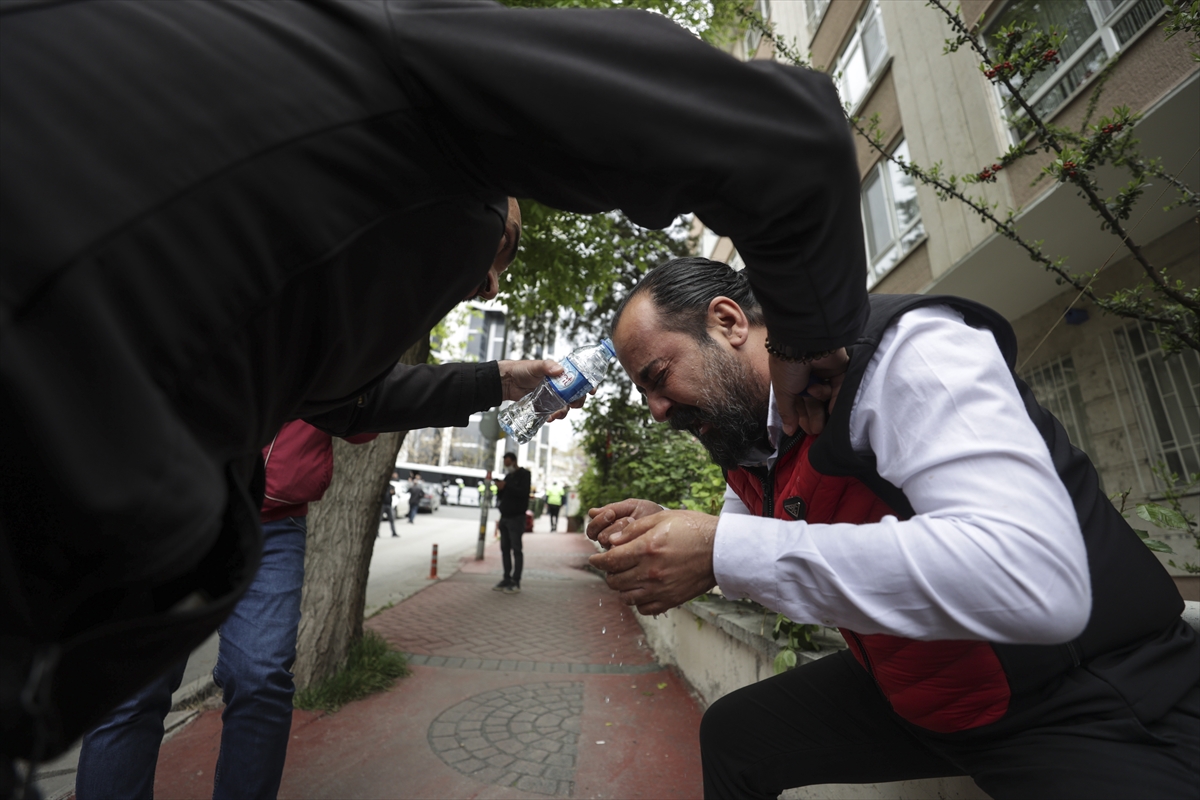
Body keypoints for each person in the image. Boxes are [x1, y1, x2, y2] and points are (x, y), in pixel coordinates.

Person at [2, 0, 869, 763]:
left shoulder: (280, 251)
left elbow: (350, 401)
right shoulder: (407, 60)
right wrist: (809, 345)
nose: (490, 286)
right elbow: (784, 132)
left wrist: (499, 378)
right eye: (499, 248)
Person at [587, 258, 1197, 799]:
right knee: (734, 737)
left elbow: (1031, 576)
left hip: (1076, 701)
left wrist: (720, 548)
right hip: (916, 699)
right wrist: (673, 531)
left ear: (728, 321)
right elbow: (745, 539)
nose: (657, 410)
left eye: (658, 375)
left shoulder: (911, 348)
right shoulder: (751, 435)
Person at [73, 355, 568, 800]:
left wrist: (497, 379)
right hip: (164, 507)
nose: (492, 286)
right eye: (494, 259)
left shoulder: (340, 303)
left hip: (272, 520)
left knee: (262, 677)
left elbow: (369, 401)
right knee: (132, 687)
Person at [493, 452, 532, 594]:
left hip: (517, 518)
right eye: (505, 464)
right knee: (505, 549)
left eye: (508, 464)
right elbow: (502, 496)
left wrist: (507, 486)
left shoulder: (525, 475)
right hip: (505, 517)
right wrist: (500, 488)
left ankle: (516, 581)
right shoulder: (508, 477)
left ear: (514, 462)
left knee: (516, 549)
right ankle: (506, 578)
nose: (507, 467)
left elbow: (523, 493)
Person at [381, 469, 399, 538]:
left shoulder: (391, 487)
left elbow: (393, 493)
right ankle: (376, 533)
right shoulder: (383, 487)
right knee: (379, 520)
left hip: (389, 505)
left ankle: (394, 532)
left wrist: (392, 492)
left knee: (391, 520)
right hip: (383, 505)